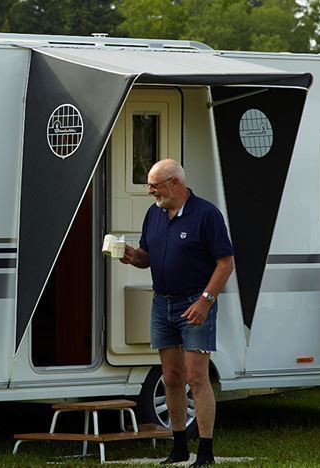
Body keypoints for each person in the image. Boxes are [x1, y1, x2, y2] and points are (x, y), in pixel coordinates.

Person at [120, 159, 234, 467]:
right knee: (171, 377)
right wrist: (133, 257)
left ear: (175, 183)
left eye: (154, 185)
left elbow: (226, 263)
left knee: (196, 377)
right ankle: (179, 447)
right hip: (162, 303)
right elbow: (147, 256)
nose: (150, 191)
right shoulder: (154, 214)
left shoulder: (206, 214)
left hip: (195, 303)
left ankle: (206, 451)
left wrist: (206, 301)